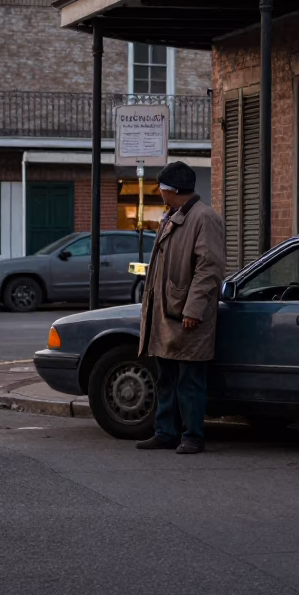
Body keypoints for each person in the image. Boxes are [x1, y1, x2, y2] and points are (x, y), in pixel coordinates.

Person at [135, 161, 225, 454]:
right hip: (166, 313)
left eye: (161, 188)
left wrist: (192, 309)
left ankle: (192, 435)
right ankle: (165, 432)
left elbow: (209, 267)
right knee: (166, 377)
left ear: (171, 190)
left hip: (186, 315)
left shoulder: (204, 218)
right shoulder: (171, 216)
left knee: (190, 380)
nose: (159, 193)